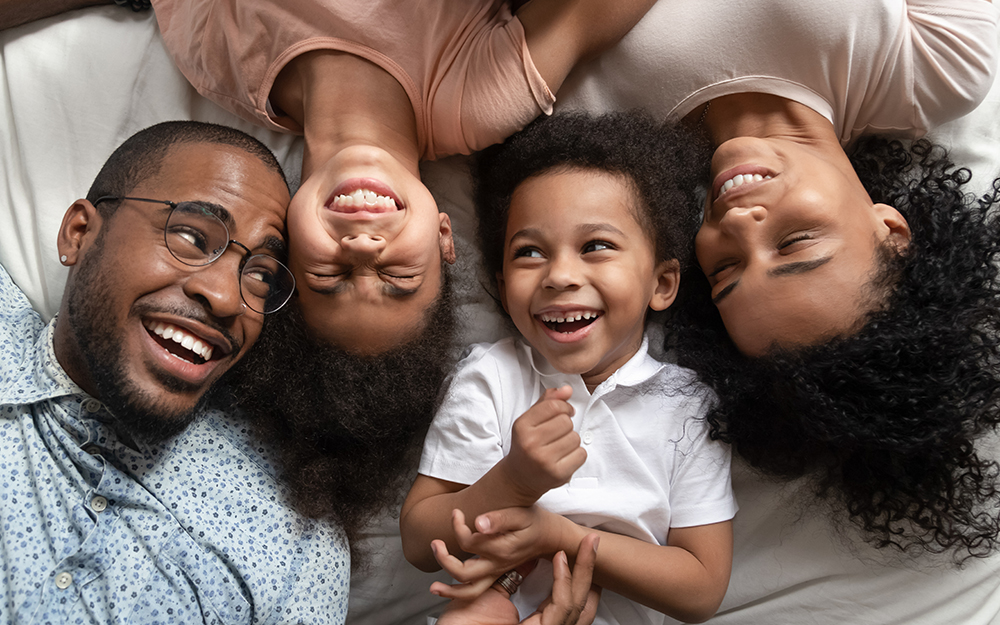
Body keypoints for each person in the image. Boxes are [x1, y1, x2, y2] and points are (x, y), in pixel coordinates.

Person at [548, 0, 1000, 560]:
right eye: (796, 243)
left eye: (726, 269)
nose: (737, 223)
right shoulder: (937, 67)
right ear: (891, 231)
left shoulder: (580, 143)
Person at [149, 0, 656, 355]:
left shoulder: (212, 54)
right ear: (442, 236)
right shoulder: (478, 96)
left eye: (330, 277)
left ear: (284, 247)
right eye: (399, 276)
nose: (364, 250)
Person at [0, 120, 355, 623]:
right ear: (79, 234)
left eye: (259, 275)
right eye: (190, 235)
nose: (227, 296)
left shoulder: (295, 544)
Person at [400, 113, 736, 625]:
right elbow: (420, 540)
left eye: (595, 246)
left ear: (662, 284)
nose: (559, 275)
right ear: (501, 281)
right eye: (529, 252)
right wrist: (511, 481)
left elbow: (702, 588)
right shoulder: (492, 378)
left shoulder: (688, 409)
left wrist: (561, 536)